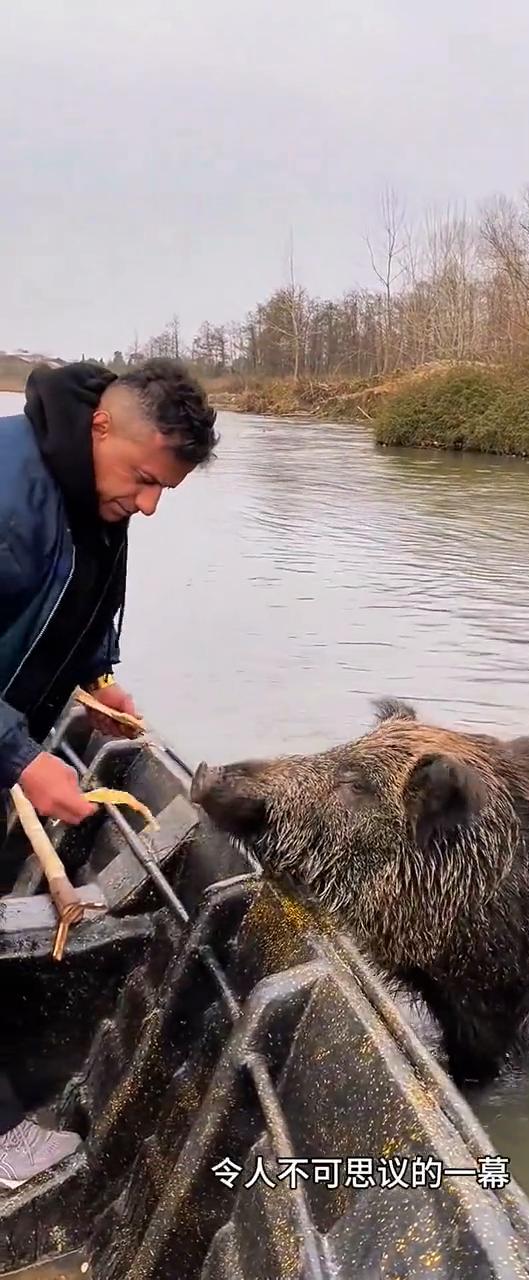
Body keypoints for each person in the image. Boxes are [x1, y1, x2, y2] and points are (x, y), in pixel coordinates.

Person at [0, 357, 218, 1188]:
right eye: (145, 480)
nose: (150, 504)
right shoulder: (10, 491)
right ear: (102, 426)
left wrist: (94, 678)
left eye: (166, 489)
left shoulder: (93, 491)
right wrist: (25, 761)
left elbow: (81, 594)